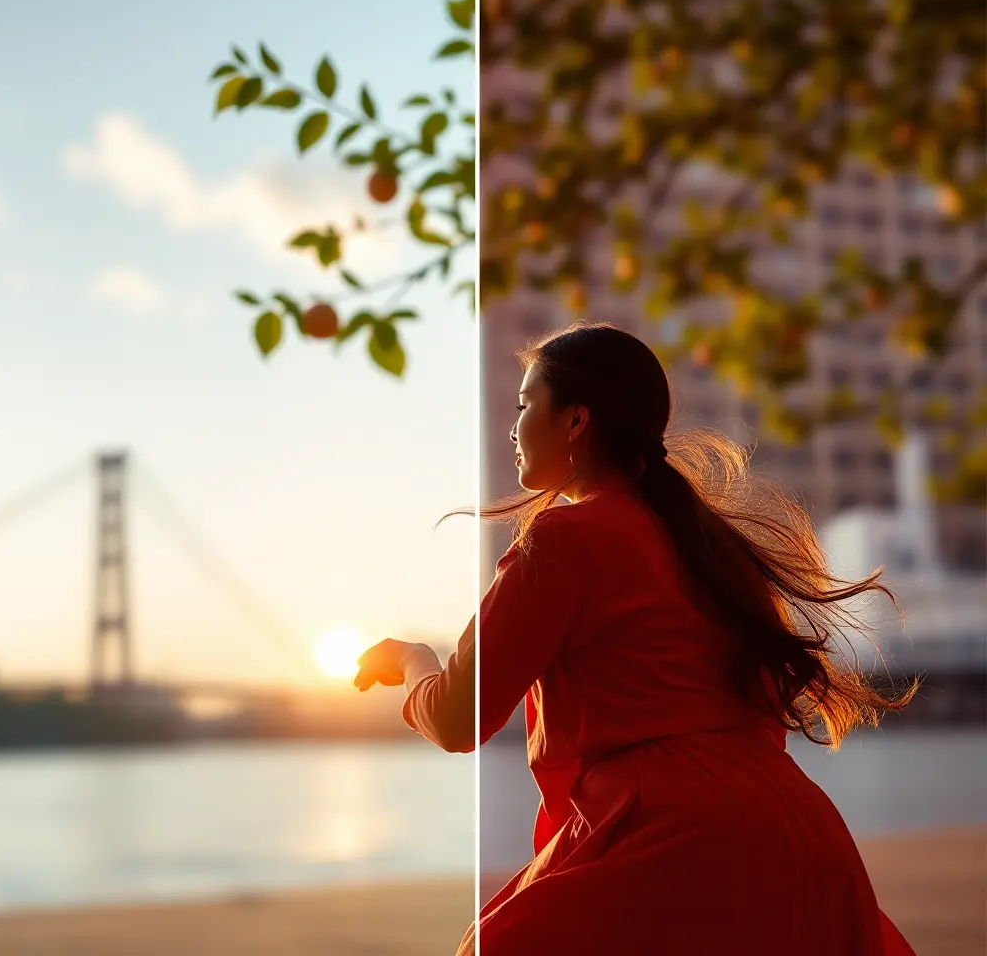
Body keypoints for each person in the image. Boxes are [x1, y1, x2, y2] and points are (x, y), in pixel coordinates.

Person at [355, 321, 919, 955]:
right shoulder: (707, 545)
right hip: (799, 835)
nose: (511, 429)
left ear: (575, 421)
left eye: (523, 407)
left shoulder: (564, 540)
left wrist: (411, 659)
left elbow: (460, 717)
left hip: (674, 832)